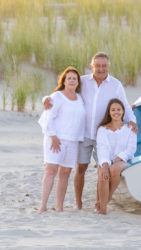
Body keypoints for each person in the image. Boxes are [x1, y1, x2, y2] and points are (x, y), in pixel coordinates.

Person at [44, 52, 137, 210]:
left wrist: (132, 120)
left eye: (104, 66)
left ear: (108, 66)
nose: (101, 69)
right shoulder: (83, 81)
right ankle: (78, 203)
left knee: (103, 168)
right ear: (92, 66)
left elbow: (125, 105)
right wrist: (46, 99)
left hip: (104, 134)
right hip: (83, 134)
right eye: (97, 66)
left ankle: (99, 203)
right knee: (81, 168)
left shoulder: (116, 85)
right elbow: (65, 91)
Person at [38, 66, 85, 213]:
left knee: (65, 173)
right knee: (50, 171)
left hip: (72, 141)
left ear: (78, 82)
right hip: (55, 140)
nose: (71, 80)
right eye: (69, 78)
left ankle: (59, 207)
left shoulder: (80, 99)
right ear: (63, 81)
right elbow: (47, 116)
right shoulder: (57, 96)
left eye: (74, 78)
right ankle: (43, 205)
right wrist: (52, 136)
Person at [95, 98, 137, 214]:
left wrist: (118, 158)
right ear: (109, 112)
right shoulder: (102, 129)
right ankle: (103, 210)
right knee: (103, 175)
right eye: (113, 110)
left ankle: (107, 198)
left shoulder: (130, 128)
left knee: (115, 168)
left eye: (118, 109)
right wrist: (104, 164)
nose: (116, 112)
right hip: (106, 159)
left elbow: (131, 148)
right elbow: (102, 148)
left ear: (123, 111)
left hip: (123, 160)